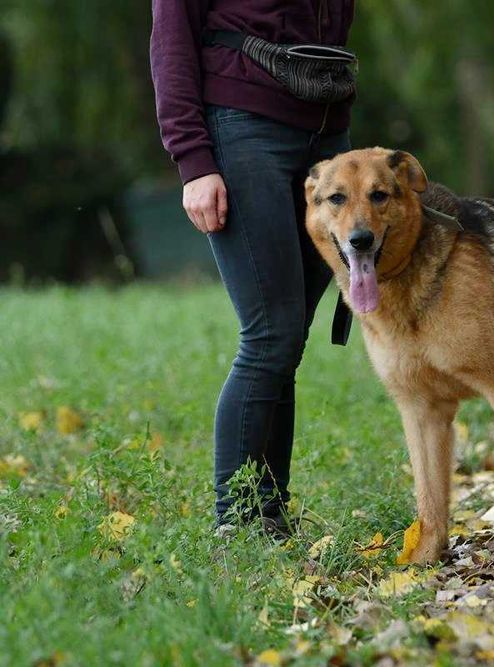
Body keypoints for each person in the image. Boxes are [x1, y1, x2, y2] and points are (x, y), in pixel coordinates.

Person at [150, 0, 356, 536]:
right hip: (244, 132)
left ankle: (269, 516)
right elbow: (171, 39)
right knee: (270, 334)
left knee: (287, 339)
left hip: (327, 138)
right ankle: (237, 525)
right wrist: (193, 161)